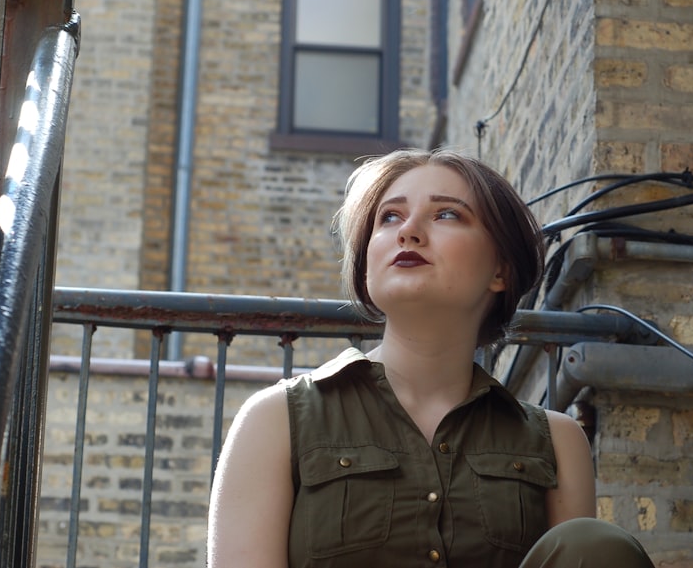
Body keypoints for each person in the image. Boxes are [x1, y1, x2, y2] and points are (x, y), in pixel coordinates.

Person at [207, 148, 654, 568]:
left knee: (597, 546)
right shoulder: (275, 419)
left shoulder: (558, 442)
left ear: (500, 270)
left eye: (446, 214)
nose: (408, 231)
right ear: (367, 262)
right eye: (389, 217)